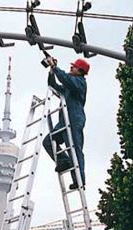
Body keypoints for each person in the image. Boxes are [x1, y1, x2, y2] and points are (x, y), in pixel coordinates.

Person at [42, 56, 89, 191]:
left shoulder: (79, 83)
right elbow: (53, 85)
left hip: (74, 120)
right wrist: (52, 70)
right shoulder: (69, 87)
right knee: (48, 142)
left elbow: (66, 80)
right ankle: (64, 161)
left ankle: (79, 180)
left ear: (80, 71)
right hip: (64, 121)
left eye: (73, 66)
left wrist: (56, 68)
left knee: (75, 148)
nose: (71, 67)